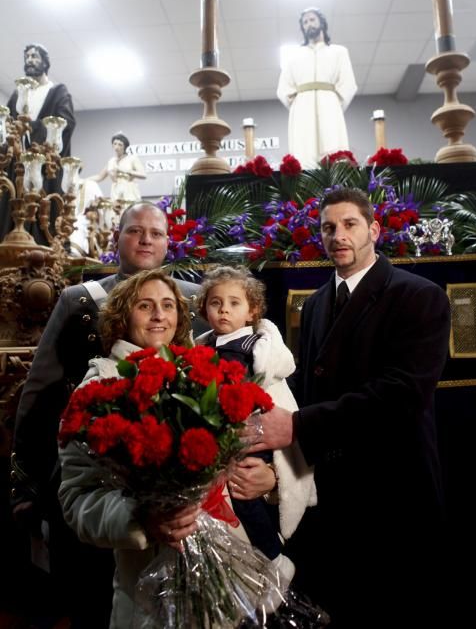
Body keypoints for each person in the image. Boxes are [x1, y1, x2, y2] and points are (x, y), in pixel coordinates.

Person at [246, 188, 452, 628]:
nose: (338, 235)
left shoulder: (420, 296)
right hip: (332, 499)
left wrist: (298, 426)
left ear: (374, 230)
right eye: (328, 227)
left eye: (349, 224)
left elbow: (402, 394)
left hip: (394, 495)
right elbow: (303, 389)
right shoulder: (317, 303)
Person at [10, 201, 206, 628]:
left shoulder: (193, 298)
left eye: (156, 233)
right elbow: (40, 392)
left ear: (169, 243)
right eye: (136, 231)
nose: (146, 240)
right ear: (117, 238)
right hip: (99, 482)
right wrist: (26, 481)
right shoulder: (80, 300)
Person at [58, 269, 200, 629]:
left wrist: (266, 478)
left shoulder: (199, 377)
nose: (159, 315)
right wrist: (143, 518)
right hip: (145, 591)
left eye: (168, 306)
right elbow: (77, 499)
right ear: (123, 316)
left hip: (212, 579)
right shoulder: (99, 387)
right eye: (145, 305)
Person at [195, 266, 316, 584]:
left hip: (250, 437)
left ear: (252, 311)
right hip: (220, 440)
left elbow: (246, 396)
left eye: (234, 303)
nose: (223, 310)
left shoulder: (250, 350)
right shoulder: (204, 347)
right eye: (215, 302)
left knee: (245, 499)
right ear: (204, 308)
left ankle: (274, 558)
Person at [1, 43, 76, 242]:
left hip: (45, 166)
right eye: (27, 57)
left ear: (45, 61)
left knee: (43, 216)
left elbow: (66, 123)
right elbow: (9, 125)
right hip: (18, 167)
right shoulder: (19, 94)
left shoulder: (58, 91)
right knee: (13, 208)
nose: (30, 60)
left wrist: (33, 129)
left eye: (34, 56)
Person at [277, 8, 357, 169]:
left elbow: (348, 83)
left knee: (332, 145)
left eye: (312, 19)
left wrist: (333, 104)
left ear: (321, 23)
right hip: (302, 109)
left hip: (330, 105)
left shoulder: (338, 52)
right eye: (305, 22)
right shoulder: (293, 56)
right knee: (304, 151)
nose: (309, 24)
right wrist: (298, 105)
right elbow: (283, 88)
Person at [88, 132, 146, 202]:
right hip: (116, 193)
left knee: (130, 211)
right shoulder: (111, 161)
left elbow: (143, 175)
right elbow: (99, 177)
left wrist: (127, 171)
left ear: (125, 146)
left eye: (120, 144)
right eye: (115, 144)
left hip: (130, 192)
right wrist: (84, 180)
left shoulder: (132, 158)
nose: (117, 147)